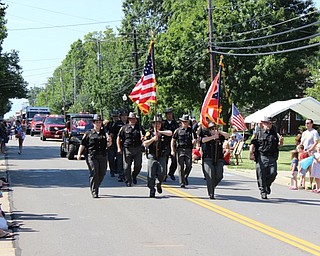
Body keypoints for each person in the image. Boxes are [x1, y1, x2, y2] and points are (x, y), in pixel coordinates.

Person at [249, 116, 284, 199]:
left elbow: (279, 145)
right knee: (261, 174)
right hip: (261, 156)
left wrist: (281, 141)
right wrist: (251, 153)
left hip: (272, 156)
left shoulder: (275, 133)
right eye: (267, 123)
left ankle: (267, 185)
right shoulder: (258, 133)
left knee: (273, 173)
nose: (269, 125)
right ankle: (263, 191)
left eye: (270, 123)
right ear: (263, 124)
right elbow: (253, 144)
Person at [77, 114, 110, 198]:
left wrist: (109, 140)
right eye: (96, 122)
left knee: (102, 173)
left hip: (102, 155)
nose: (98, 124)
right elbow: (83, 144)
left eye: (99, 122)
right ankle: (94, 191)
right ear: (93, 123)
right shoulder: (89, 133)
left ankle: (96, 185)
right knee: (94, 172)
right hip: (92, 156)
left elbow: (109, 144)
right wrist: (79, 154)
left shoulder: (105, 133)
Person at [198, 122, 229, 199]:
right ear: (209, 130)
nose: (214, 130)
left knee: (219, 175)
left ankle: (211, 186)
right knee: (210, 176)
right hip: (208, 157)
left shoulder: (219, 136)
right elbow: (203, 140)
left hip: (218, 158)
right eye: (212, 129)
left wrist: (219, 132)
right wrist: (213, 137)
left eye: (215, 128)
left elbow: (228, 135)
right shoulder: (206, 135)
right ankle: (211, 193)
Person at [143, 115, 172, 197]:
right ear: (152, 124)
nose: (157, 125)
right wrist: (153, 139)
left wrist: (160, 132)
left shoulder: (164, 132)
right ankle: (152, 189)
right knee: (151, 174)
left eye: (159, 123)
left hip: (162, 155)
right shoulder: (149, 133)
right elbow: (144, 143)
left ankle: (159, 183)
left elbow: (170, 133)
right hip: (152, 155)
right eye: (156, 123)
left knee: (162, 173)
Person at [117, 112, 144, 187]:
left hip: (137, 148)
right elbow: (118, 138)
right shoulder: (124, 128)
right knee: (126, 167)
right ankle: (128, 180)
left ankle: (134, 175)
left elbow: (145, 136)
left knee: (138, 165)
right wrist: (119, 148)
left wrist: (143, 138)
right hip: (127, 149)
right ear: (129, 119)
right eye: (131, 118)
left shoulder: (140, 128)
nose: (132, 120)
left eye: (134, 119)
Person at [171, 114, 196, 188]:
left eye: (187, 122)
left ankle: (185, 176)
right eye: (184, 122)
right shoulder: (177, 131)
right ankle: (182, 182)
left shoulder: (191, 131)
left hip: (188, 149)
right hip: (180, 150)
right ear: (181, 122)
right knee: (180, 166)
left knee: (189, 165)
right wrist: (173, 150)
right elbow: (173, 140)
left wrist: (195, 141)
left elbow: (195, 139)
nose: (185, 123)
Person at [299, 118, 319, 190]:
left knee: (311, 168)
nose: (306, 125)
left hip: (311, 152)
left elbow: (316, 142)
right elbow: (302, 142)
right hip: (304, 152)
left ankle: (310, 183)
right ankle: (302, 183)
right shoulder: (304, 133)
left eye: (308, 123)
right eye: (305, 123)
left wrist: (310, 149)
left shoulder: (314, 132)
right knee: (303, 167)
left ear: (311, 124)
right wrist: (300, 148)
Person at [163, 107, 179, 181]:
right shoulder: (163, 123)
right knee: (164, 161)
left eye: (170, 114)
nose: (169, 115)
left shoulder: (176, 124)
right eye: (168, 114)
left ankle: (171, 172)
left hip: (174, 144)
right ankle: (164, 174)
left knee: (175, 160)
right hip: (165, 144)